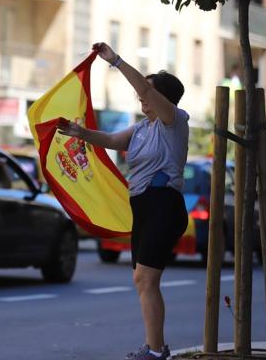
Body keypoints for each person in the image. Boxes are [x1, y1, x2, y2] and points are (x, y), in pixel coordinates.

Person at [57, 42, 189, 360]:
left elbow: (143, 86)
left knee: (146, 277)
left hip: (164, 205)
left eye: (149, 92)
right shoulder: (142, 128)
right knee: (141, 279)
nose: (141, 96)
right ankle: (155, 346)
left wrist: (115, 60)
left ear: (163, 97)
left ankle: (157, 351)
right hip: (143, 206)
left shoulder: (174, 121)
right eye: (143, 93)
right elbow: (112, 141)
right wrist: (79, 131)